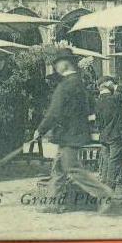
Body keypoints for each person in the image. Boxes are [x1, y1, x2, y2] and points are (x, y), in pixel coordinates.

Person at [34, 50, 91, 203]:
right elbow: (88, 108)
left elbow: (54, 112)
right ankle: (53, 202)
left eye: (57, 63)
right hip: (71, 133)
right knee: (58, 169)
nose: (55, 67)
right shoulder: (79, 82)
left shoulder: (65, 85)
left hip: (69, 135)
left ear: (66, 63)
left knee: (73, 170)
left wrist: (41, 129)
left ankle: (105, 196)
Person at [95, 75, 122, 188]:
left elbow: (98, 123)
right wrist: (114, 86)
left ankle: (103, 184)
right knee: (113, 161)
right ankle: (109, 188)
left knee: (106, 160)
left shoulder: (97, 102)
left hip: (104, 136)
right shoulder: (114, 99)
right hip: (115, 135)